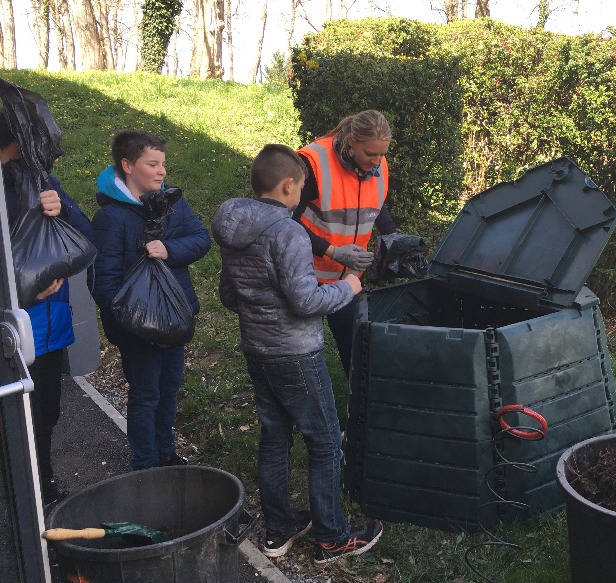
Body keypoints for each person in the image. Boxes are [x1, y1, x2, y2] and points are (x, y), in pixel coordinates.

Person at [212, 144, 382, 566]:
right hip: (296, 353)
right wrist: (349, 287)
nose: (302, 194)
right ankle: (332, 537)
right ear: (288, 185)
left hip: (257, 348)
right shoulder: (288, 233)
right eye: (302, 187)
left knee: (275, 436)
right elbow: (306, 302)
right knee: (324, 441)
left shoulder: (233, 226)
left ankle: (279, 527)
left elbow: (229, 294)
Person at [90, 129, 210, 470]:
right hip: (137, 327)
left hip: (173, 318)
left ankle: (166, 454)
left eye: (163, 164)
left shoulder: (172, 201)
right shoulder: (111, 218)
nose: (161, 172)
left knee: (169, 388)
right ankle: (145, 464)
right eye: (152, 164)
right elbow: (102, 281)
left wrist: (169, 250)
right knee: (146, 394)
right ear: (128, 165)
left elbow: (201, 239)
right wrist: (134, 325)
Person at [1, 112, 94, 506]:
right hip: (14, 330)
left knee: (46, 413)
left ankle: (43, 486)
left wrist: (62, 211)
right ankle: (23, 500)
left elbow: (85, 237)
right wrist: (24, 294)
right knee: (15, 419)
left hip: (51, 328)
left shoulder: (42, 182)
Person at [294, 110, 397, 377]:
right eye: (370, 154)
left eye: (382, 154)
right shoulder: (313, 162)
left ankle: (357, 400)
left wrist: (392, 236)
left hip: (348, 279)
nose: (376, 161)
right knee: (302, 353)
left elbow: (376, 202)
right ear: (352, 141)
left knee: (356, 354)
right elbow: (286, 223)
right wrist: (332, 251)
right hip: (306, 275)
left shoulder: (377, 162)